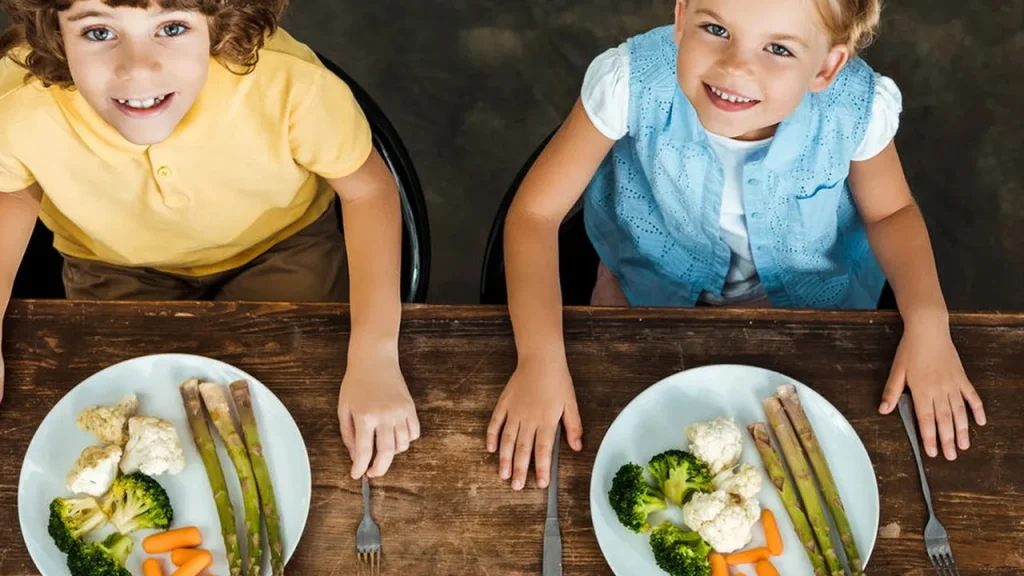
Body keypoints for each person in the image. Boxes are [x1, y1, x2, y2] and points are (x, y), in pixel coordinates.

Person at [491, 0, 986, 491]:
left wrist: (929, 324)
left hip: (809, 316)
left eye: (778, 48)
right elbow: (534, 214)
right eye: (716, 28)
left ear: (827, 67)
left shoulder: (854, 106)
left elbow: (891, 213)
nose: (736, 67)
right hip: (644, 296)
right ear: (682, 18)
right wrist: (539, 360)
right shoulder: (629, 81)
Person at [0, 0, 418, 479]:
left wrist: (376, 353)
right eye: (98, 33)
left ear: (220, 19)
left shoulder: (291, 85)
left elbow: (368, 191)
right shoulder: (16, 102)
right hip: (111, 265)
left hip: (282, 248)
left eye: (172, 27)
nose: (138, 69)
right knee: (126, 429)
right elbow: (10, 190)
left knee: (296, 410)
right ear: (53, 30)